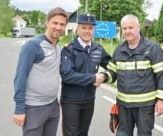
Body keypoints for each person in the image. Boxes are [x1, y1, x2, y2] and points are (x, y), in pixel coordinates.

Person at [103, 14, 163, 136]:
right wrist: (103, 77)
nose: (127, 31)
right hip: (123, 105)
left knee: (144, 134)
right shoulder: (119, 50)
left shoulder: (153, 48)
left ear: (138, 27)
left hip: (145, 106)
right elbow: (112, 72)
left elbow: (162, 76)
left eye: (131, 27)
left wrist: (162, 100)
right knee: (122, 134)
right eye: (125, 28)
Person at [13, 7, 68, 136]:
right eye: (55, 23)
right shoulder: (33, 46)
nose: (58, 27)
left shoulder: (58, 48)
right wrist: (19, 109)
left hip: (53, 106)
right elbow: (20, 77)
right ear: (47, 22)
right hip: (34, 107)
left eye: (62, 24)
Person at [60, 12, 111, 136]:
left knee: (83, 133)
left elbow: (113, 67)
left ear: (94, 30)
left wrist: (104, 77)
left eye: (90, 28)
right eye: (84, 27)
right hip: (71, 100)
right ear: (77, 29)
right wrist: (93, 77)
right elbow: (67, 75)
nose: (87, 31)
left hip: (89, 100)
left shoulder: (98, 49)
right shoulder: (68, 49)